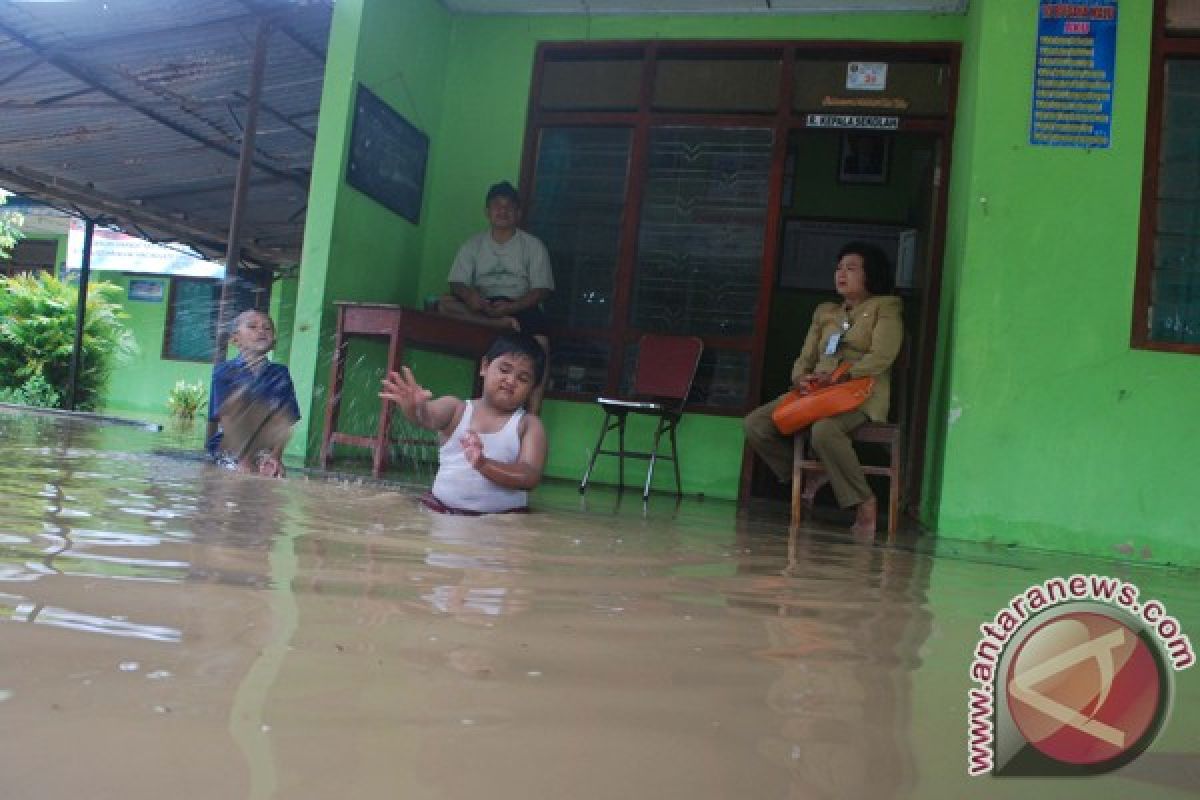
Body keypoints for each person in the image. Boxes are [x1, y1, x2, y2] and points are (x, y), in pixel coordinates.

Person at [744, 242, 903, 538]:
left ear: (870, 274)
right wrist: (800, 379)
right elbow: (805, 357)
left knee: (824, 430)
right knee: (756, 424)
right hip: (817, 392)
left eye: (851, 268)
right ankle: (812, 475)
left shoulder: (886, 308)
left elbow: (883, 355)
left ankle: (864, 502)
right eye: (839, 267)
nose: (841, 273)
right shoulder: (825, 312)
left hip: (859, 393)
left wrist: (843, 377)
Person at [379, 331, 548, 514]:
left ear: (532, 389)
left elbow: (529, 476)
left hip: (504, 520)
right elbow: (425, 417)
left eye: (523, 378)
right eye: (504, 370)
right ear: (484, 366)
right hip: (441, 509)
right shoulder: (457, 410)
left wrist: (483, 464)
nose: (510, 380)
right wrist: (414, 407)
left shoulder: (528, 425)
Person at [437, 180, 553, 412]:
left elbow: (542, 290)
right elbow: (457, 282)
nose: (503, 211)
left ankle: (534, 414)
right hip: (482, 305)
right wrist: (469, 296)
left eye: (509, 206)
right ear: (487, 211)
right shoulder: (473, 244)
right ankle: (496, 324)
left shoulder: (532, 245)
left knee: (542, 343)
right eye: (497, 206)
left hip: (518, 305)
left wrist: (510, 309)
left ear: (518, 213)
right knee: (444, 304)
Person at [206, 309, 300, 477]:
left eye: (267, 328)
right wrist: (244, 460)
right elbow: (225, 419)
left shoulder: (280, 373)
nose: (261, 331)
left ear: (274, 342)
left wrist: (275, 457)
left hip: (264, 449)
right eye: (252, 326)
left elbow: (286, 420)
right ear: (236, 339)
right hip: (230, 448)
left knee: (274, 479)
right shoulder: (224, 372)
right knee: (232, 480)